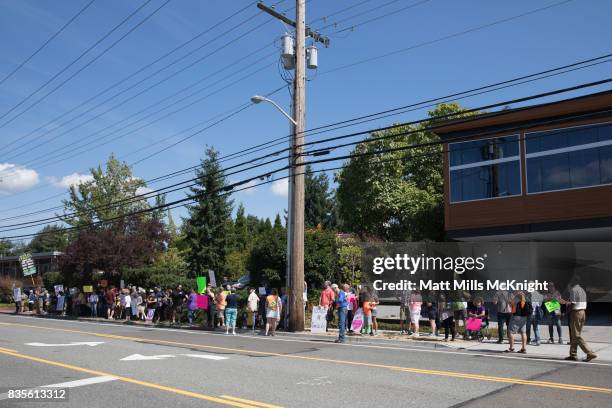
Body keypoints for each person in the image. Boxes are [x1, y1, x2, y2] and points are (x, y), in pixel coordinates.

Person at [564, 277, 597, 362]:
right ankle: (573, 354)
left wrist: (565, 313)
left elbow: (572, 304)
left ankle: (589, 352)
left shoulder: (574, 290)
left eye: (571, 280)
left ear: (575, 281)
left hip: (576, 313)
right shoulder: (582, 290)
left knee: (576, 335)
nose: (570, 281)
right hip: (582, 312)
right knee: (576, 334)